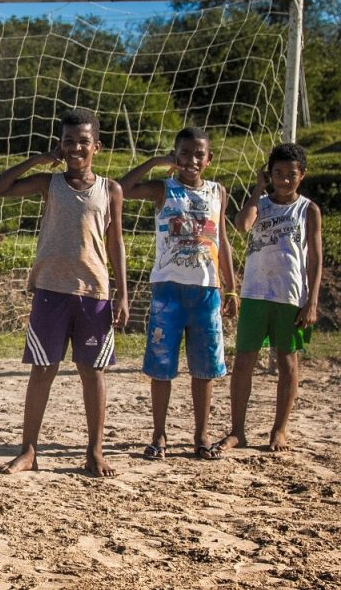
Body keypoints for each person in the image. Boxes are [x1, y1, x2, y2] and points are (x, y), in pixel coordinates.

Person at [0, 109, 129, 477]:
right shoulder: (47, 183)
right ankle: (29, 451)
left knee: (92, 372)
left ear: (96, 146)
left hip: (94, 293)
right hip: (51, 289)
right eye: (69, 141)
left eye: (83, 141)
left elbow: (116, 244)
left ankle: (94, 452)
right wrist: (37, 159)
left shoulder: (110, 189)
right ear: (61, 145)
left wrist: (123, 294)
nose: (76, 148)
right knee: (42, 370)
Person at [120, 127, 238, 461]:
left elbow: (223, 241)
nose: (191, 160)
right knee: (161, 368)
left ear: (208, 159)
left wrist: (231, 287)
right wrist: (157, 162)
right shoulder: (163, 189)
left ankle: (201, 436)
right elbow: (122, 188)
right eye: (184, 153)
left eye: (198, 154)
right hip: (167, 292)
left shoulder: (217, 191)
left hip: (206, 292)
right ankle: (159, 435)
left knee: (204, 369)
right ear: (175, 156)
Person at [218, 143, 321, 453]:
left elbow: (315, 258)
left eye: (291, 174)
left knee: (287, 362)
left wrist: (312, 300)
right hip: (254, 293)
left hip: (290, 296)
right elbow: (242, 225)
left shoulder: (308, 209)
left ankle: (279, 430)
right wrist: (257, 189)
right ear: (269, 174)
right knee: (244, 362)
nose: (284, 180)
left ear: (302, 175)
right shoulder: (260, 204)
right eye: (278, 173)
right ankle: (237, 431)